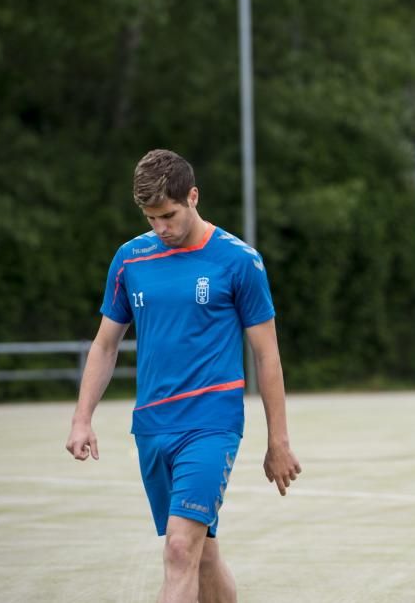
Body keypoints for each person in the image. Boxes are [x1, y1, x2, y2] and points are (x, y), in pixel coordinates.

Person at [66, 149, 301, 603]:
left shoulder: (238, 260)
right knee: (201, 553)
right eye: (151, 218)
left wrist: (278, 441)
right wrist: (82, 418)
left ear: (193, 196)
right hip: (152, 427)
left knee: (178, 549)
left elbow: (267, 355)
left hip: (212, 424)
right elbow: (105, 343)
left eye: (169, 216)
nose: (161, 228)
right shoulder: (129, 260)